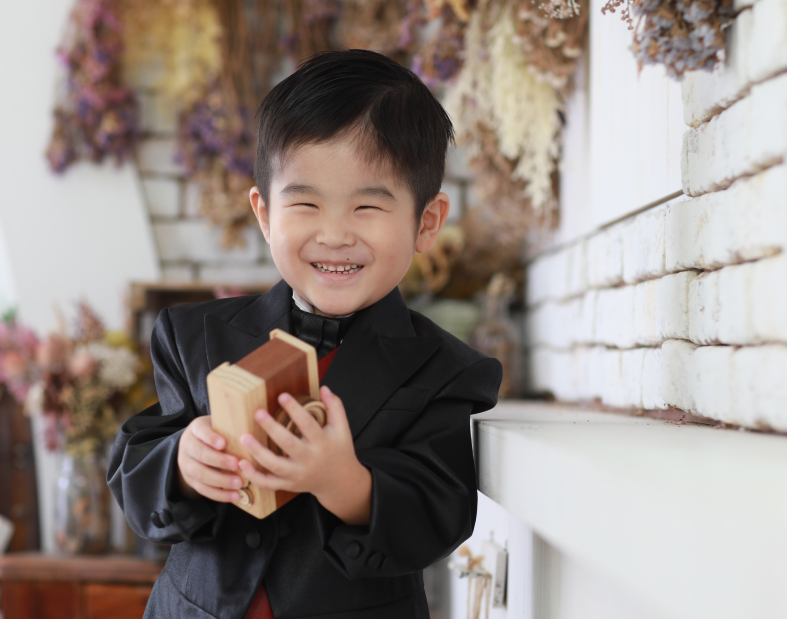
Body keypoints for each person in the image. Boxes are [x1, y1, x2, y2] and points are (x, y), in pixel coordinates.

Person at [108, 49, 503, 619]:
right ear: (265, 214)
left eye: (368, 205)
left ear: (426, 222)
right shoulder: (195, 335)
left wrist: (344, 482)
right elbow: (134, 467)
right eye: (306, 203)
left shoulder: (445, 370)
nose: (335, 233)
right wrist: (182, 463)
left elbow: (438, 515)